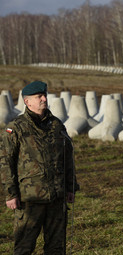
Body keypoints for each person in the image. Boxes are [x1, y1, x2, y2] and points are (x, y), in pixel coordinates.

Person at [0, 81, 78, 254]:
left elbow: (67, 157)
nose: (44, 99)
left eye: (44, 95)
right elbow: (6, 162)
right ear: (27, 102)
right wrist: (11, 193)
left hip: (56, 198)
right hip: (30, 199)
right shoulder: (16, 128)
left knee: (57, 247)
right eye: (38, 97)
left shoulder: (56, 125)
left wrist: (71, 186)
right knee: (24, 247)